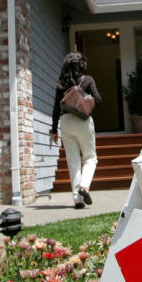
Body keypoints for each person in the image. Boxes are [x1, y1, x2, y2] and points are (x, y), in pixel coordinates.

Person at [50, 52, 101, 209]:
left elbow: (56, 109)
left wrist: (54, 130)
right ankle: (84, 187)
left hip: (65, 122)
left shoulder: (61, 83)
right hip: (83, 122)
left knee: (73, 161)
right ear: (82, 65)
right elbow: (98, 99)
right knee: (90, 157)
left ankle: (77, 199)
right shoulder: (88, 80)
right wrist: (85, 101)